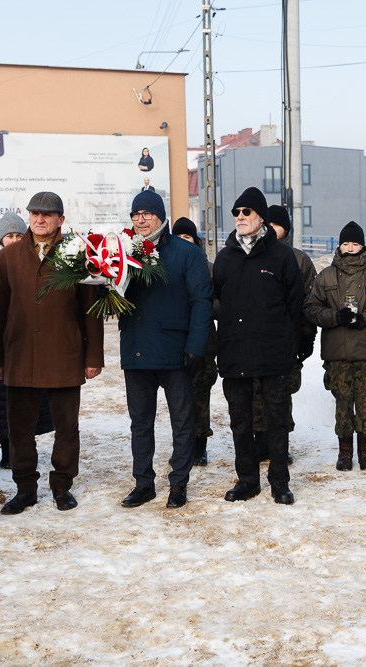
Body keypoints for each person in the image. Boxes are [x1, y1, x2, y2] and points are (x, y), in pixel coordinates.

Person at [0, 192, 104, 515]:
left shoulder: (78, 253)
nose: (39, 219)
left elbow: (90, 310)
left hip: (64, 354)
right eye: (34, 213)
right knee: (19, 429)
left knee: (67, 427)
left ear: (60, 220)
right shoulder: (9, 257)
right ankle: (25, 489)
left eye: (47, 214)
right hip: (20, 355)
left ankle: (62, 485)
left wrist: (93, 357)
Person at [117, 192, 212, 509]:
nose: (140, 219)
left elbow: (201, 302)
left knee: (182, 422)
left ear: (161, 216)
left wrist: (196, 347)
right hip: (136, 348)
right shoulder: (122, 252)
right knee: (140, 423)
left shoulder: (186, 252)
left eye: (147, 213)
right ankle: (143, 483)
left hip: (175, 351)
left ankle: (178, 483)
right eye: (135, 214)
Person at [213, 187, 303, 505]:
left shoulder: (281, 256)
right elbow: (217, 298)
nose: (240, 216)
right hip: (235, 352)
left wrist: (281, 338)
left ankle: (279, 482)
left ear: (261, 218)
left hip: (272, 353)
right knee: (240, 422)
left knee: (277, 421)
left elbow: (294, 304)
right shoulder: (225, 258)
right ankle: (248, 481)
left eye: (246, 212)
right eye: (236, 212)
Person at [303, 221, 366, 470]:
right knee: (342, 403)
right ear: (339, 245)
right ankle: (345, 451)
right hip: (337, 352)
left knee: (365, 402)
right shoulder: (326, 276)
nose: (350, 248)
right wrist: (334, 317)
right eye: (346, 243)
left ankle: (365, 451)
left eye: (355, 243)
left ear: (363, 246)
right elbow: (310, 308)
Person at [0, 212, 53, 470]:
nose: (13, 240)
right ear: (0, 239)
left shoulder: (36, 262)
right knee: (1, 400)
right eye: (9, 236)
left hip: (27, 341)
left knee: (27, 399)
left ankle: (25, 448)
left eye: (19, 235)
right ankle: (7, 451)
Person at [250, 204, 318, 464]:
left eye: (276, 225)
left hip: (287, 339)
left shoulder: (299, 259)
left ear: (286, 229)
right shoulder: (251, 254)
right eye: (267, 224)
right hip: (256, 339)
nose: (270, 229)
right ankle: (260, 443)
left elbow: (309, 302)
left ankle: (280, 445)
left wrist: (308, 336)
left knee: (281, 394)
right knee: (256, 393)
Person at [172, 216, 217, 467]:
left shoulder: (208, 268)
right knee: (178, 400)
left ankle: (200, 446)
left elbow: (222, 303)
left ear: (196, 241)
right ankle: (181, 447)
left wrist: (201, 306)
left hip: (204, 344)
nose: (183, 241)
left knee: (200, 396)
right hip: (174, 342)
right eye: (178, 237)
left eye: (187, 237)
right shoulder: (165, 266)